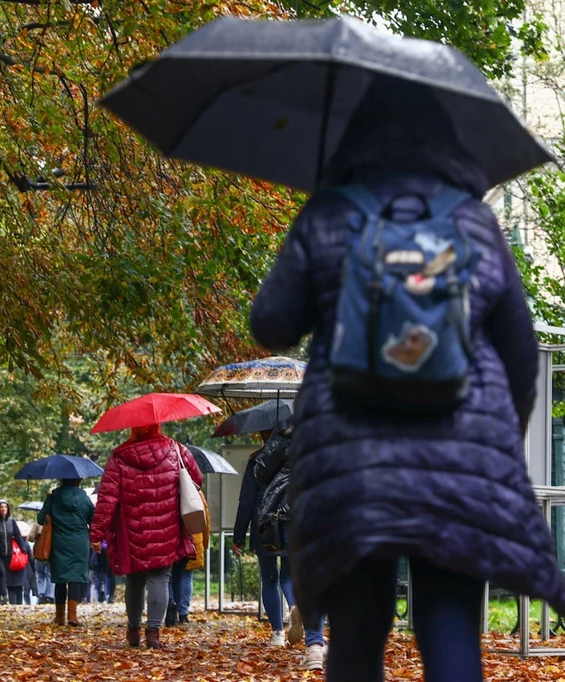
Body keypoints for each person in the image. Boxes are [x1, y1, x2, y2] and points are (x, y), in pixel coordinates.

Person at [248, 77, 565, 682]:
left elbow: (271, 324)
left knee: (359, 632)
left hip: (352, 461)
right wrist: (493, 440)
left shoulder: (331, 211)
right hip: (462, 462)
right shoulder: (474, 222)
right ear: (445, 139)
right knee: (448, 618)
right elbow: (520, 351)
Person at [90, 423, 203, 649]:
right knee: (160, 578)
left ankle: (133, 632)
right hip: (167, 527)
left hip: (133, 530)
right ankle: (153, 635)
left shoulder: (119, 457)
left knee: (135, 579)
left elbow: (107, 498)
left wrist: (97, 533)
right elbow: (196, 480)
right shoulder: (176, 449)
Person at [254, 426, 327, 669]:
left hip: (287, 513)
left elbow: (261, 474)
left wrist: (277, 439)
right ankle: (316, 644)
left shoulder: (286, 434)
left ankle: (311, 639)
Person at [233, 430, 293, 647]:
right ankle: (295, 608)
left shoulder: (257, 460)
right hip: (291, 521)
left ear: (262, 435)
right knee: (289, 577)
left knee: (269, 579)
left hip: (265, 525)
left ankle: (278, 632)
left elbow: (247, 501)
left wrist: (238, 536)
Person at [39, 478, 95, 627]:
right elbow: (93, 520)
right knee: (75, 577)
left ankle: (59, 617)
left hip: (59, 543)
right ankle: (72, 616)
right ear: (78, 481)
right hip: (80, 543)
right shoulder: (85, 498)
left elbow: (40, 519)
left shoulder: (53, 498)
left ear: (62, 480)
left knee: (60, 578)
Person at [172, 488, 211, 626]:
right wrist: (204, 543)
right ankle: (183, 613)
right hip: (193, 540)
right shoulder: (197, 492)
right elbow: (205, 520)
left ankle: (170, 612)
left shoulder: (170, 490)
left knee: (169, 576)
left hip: (172, 539)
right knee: (186, 577)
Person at [0, 499, 29, 605]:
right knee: (2, 573)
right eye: (1, 507)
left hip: (8, 555)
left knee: (2, 576)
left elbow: (17, 536)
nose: (3, 509)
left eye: (5, 507)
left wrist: (23, 548)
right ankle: (4, 596)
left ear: (8, 509)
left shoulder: (11, 522)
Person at [28, 521, 55, 604]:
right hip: (52, 553)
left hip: (40, 553)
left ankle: (41, 594)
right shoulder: (55, 523)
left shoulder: (37, 524)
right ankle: (49, 596)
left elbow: (31, 538)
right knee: (50, 574)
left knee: (40, 574)